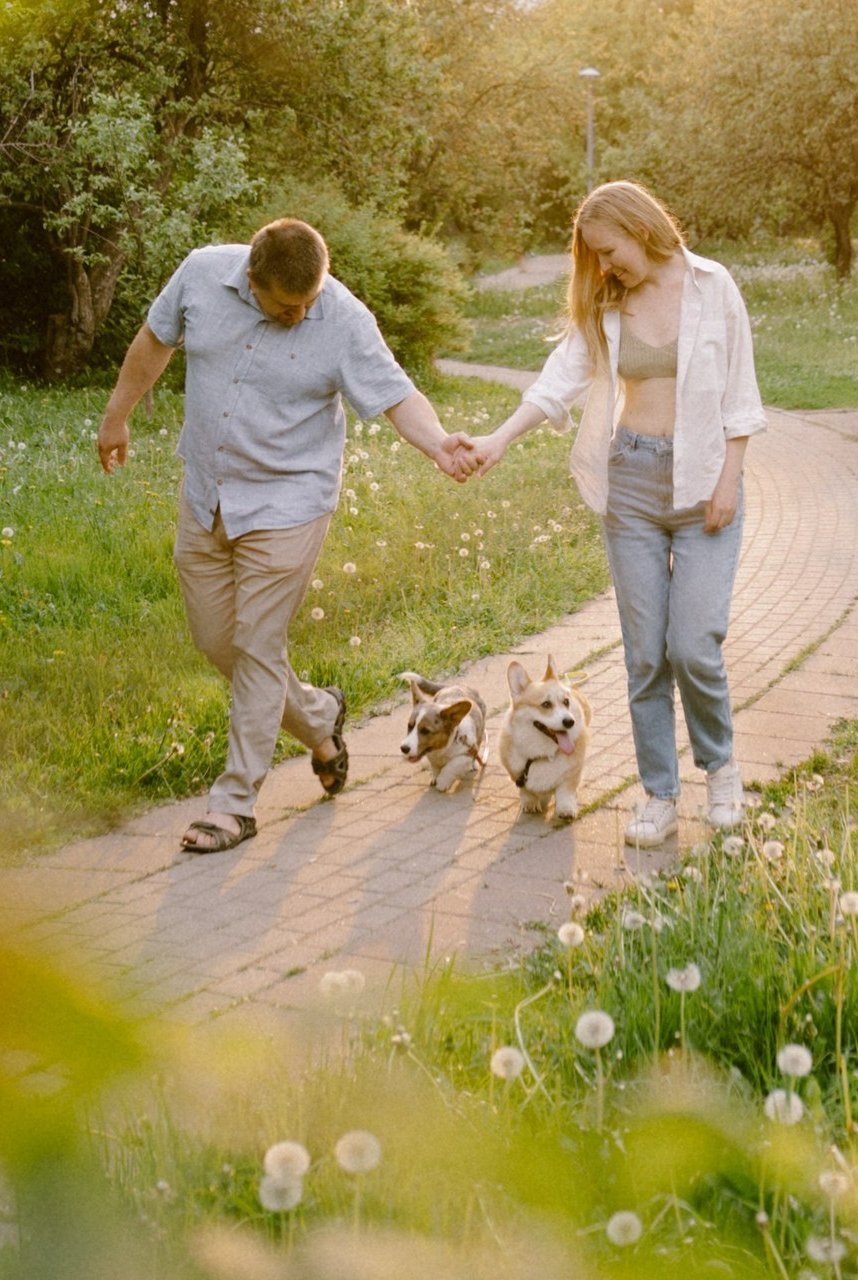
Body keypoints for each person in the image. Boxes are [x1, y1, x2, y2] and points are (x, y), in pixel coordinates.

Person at [98, 218, 478, 853]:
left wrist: (438, 444)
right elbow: (154, 341)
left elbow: (395, 393)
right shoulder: (200, 274)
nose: (300, 315)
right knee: (216, 640)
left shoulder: (342, 318)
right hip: (207, 493)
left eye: (309, 302)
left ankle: (234, 804)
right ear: (252, 280)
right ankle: (320, 718)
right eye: (286, 306)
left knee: (256, 643)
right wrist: (117, 416)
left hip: (290, 502)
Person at [470, 181, 766, 846]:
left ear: (640, 229)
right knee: (644, 657)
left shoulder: (712, 286)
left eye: (609, 251)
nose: (603, 266)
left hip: (704, 486)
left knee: (693, 647)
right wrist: (498, 439)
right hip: (631, 483)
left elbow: (741, 394)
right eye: (595, 257)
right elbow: (558, 380)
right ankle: (660, 795)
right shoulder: (607, 301)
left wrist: (729, 480)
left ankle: (721, 772)